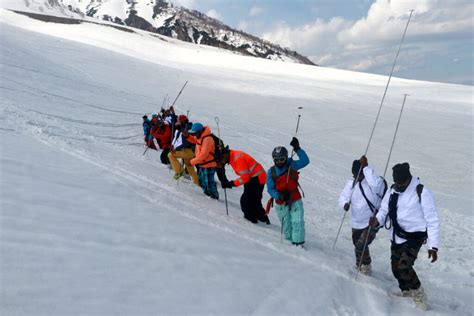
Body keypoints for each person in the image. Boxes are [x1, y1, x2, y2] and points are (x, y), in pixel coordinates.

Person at [369, 162, 440, 310]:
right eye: (397, 182)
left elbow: (432, 220)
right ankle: (406, 291)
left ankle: (419, 294)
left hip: (414, 237)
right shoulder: (393, 190)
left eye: (401, 182)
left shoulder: (422, 192)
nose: (399, 184)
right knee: (395, 269)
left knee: (404, 267)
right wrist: (377, 220)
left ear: (408, 178)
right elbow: (383, 210)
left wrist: (433, 246)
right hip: (397, 235)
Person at [338, 155, 385, 275]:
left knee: (361, 244)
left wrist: (366, 167)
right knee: (357, 244)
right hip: (356, 221)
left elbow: (377, 185)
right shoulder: (352, 183)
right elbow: (343, 196)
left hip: (371, 220)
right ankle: (360, 264)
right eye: (355, 175)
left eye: (359, 174)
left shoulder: (372, 182)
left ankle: (366, 266)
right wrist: (344, 204)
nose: (357, 177)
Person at [266, 137, 309, 247]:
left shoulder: (291, 165)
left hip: (294, 197)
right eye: (276, 160)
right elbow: (270, 189)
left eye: (282, 159)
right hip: (281, 201)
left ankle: (298, 244)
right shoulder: (271, 172)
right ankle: (289, 244)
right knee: (287, 225)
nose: (279, 162)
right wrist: (278, 196)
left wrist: (297, 148)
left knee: (297, 221)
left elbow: (305, 161)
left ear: (286, 158)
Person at [217, 148, 270, 224]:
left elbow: (245, 178)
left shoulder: (237, 159)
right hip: (253, 177)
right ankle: (260, 217)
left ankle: (253, 220)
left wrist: (231, 184)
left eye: (220, 160)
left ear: (224, 156)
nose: (220, 162)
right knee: (253, 200)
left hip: (257, 178)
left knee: (248, 200)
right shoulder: (232, 156)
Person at [184, 122, 219, 200]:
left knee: (209, 183)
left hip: (209, 165)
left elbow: (203, 155)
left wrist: (191, 162)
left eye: (195, 133)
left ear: (199, 131)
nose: (194, 135)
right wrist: (187, 136)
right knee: (202, 182)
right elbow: (195, 140)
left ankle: (214, 198)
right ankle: (207, 195)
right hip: (202, 164)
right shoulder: (200, 136)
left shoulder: (208, 139)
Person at [168, 115, 199, 185]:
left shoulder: (187, 129)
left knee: (170, 155)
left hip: (189, 151)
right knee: (189, 166)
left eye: (179, 122)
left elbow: (184, 143)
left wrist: (175, 149)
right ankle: (197, 182)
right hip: (190, 151)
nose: (178, 123)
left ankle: (180, 171)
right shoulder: (186, 127)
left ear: (183, 122)